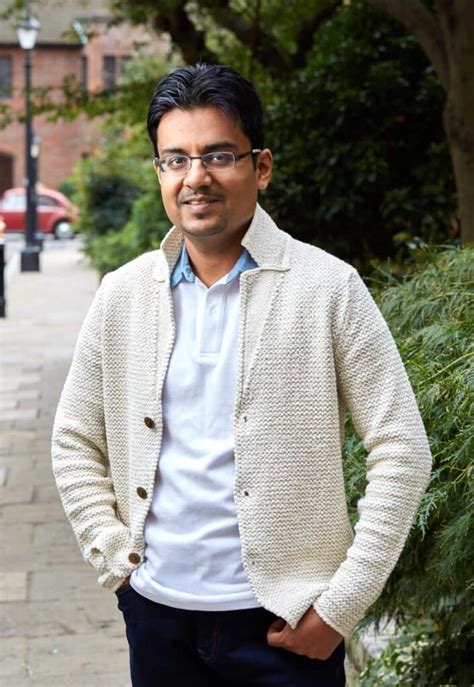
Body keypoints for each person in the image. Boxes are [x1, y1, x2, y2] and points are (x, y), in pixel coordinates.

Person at [52, 63, 432, 686]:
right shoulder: (123, 295)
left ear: (261, 167)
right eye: (175, 159)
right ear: (159, 172)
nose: (195, 177)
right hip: (158, 620)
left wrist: (339, 607)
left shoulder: (328, 288)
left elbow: (402, 449)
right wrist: (117, 563)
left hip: (288, 627)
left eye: (218, 155)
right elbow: (74, 439)